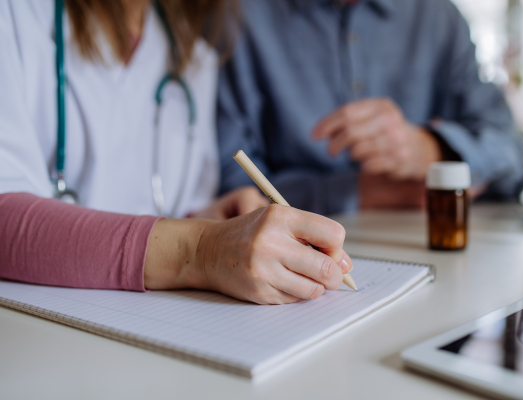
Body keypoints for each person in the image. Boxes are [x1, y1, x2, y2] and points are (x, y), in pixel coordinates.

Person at [0, 0, 353, 305]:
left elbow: (161, 210)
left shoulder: (190, 54)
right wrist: (198, 249)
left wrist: (212, 219)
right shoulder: (17, 14)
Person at [217, 0, 523, 216]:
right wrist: (365, 193)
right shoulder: (238, 17)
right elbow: (229, 190)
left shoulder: (438, 16)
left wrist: (430, 150)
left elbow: (513, 157)